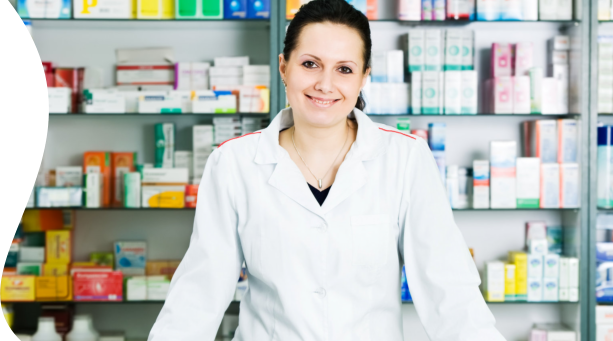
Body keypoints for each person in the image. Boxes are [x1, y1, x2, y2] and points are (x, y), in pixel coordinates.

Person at [148, 0, 504, 340]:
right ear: (284, 67)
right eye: (310, 64)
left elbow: (450, 293)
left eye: (344, 69)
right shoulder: (234, 163)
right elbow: (198, 295)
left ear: (364, 77)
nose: (325, 84)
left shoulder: (405, 158)